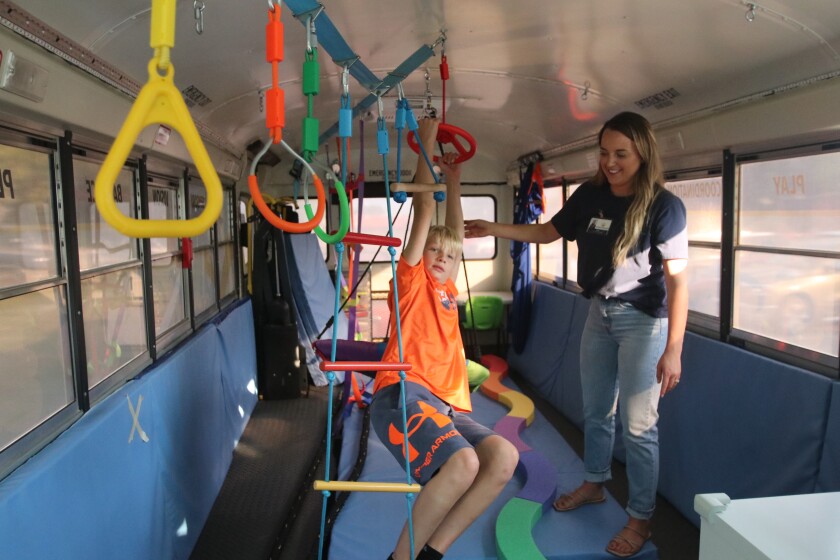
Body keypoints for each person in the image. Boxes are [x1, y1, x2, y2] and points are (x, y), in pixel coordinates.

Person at [464, 111, 688, 558]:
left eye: (620, 154)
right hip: (598, 314)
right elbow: (548, 232)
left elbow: (679, 282)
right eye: (605, 153)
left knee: (640, 427)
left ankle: (640, 519)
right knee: (596, 412)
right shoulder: (590, 195)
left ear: (642, 154)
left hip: (643, 323)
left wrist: (674, 349)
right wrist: (494, 228)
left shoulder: (665, 208)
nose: (610, 162)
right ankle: (594, 483)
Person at [371, 119, 519, 560]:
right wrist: (427, 143)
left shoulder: (447, 288)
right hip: (401, 392)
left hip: (443, 402)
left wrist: (454, 180)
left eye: (449, 256)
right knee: (463, 463)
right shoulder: (412, 278)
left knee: (503, 458)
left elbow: (453, 232)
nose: (443, 258)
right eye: (435, 251)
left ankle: (430, 554)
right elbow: (427, 215)